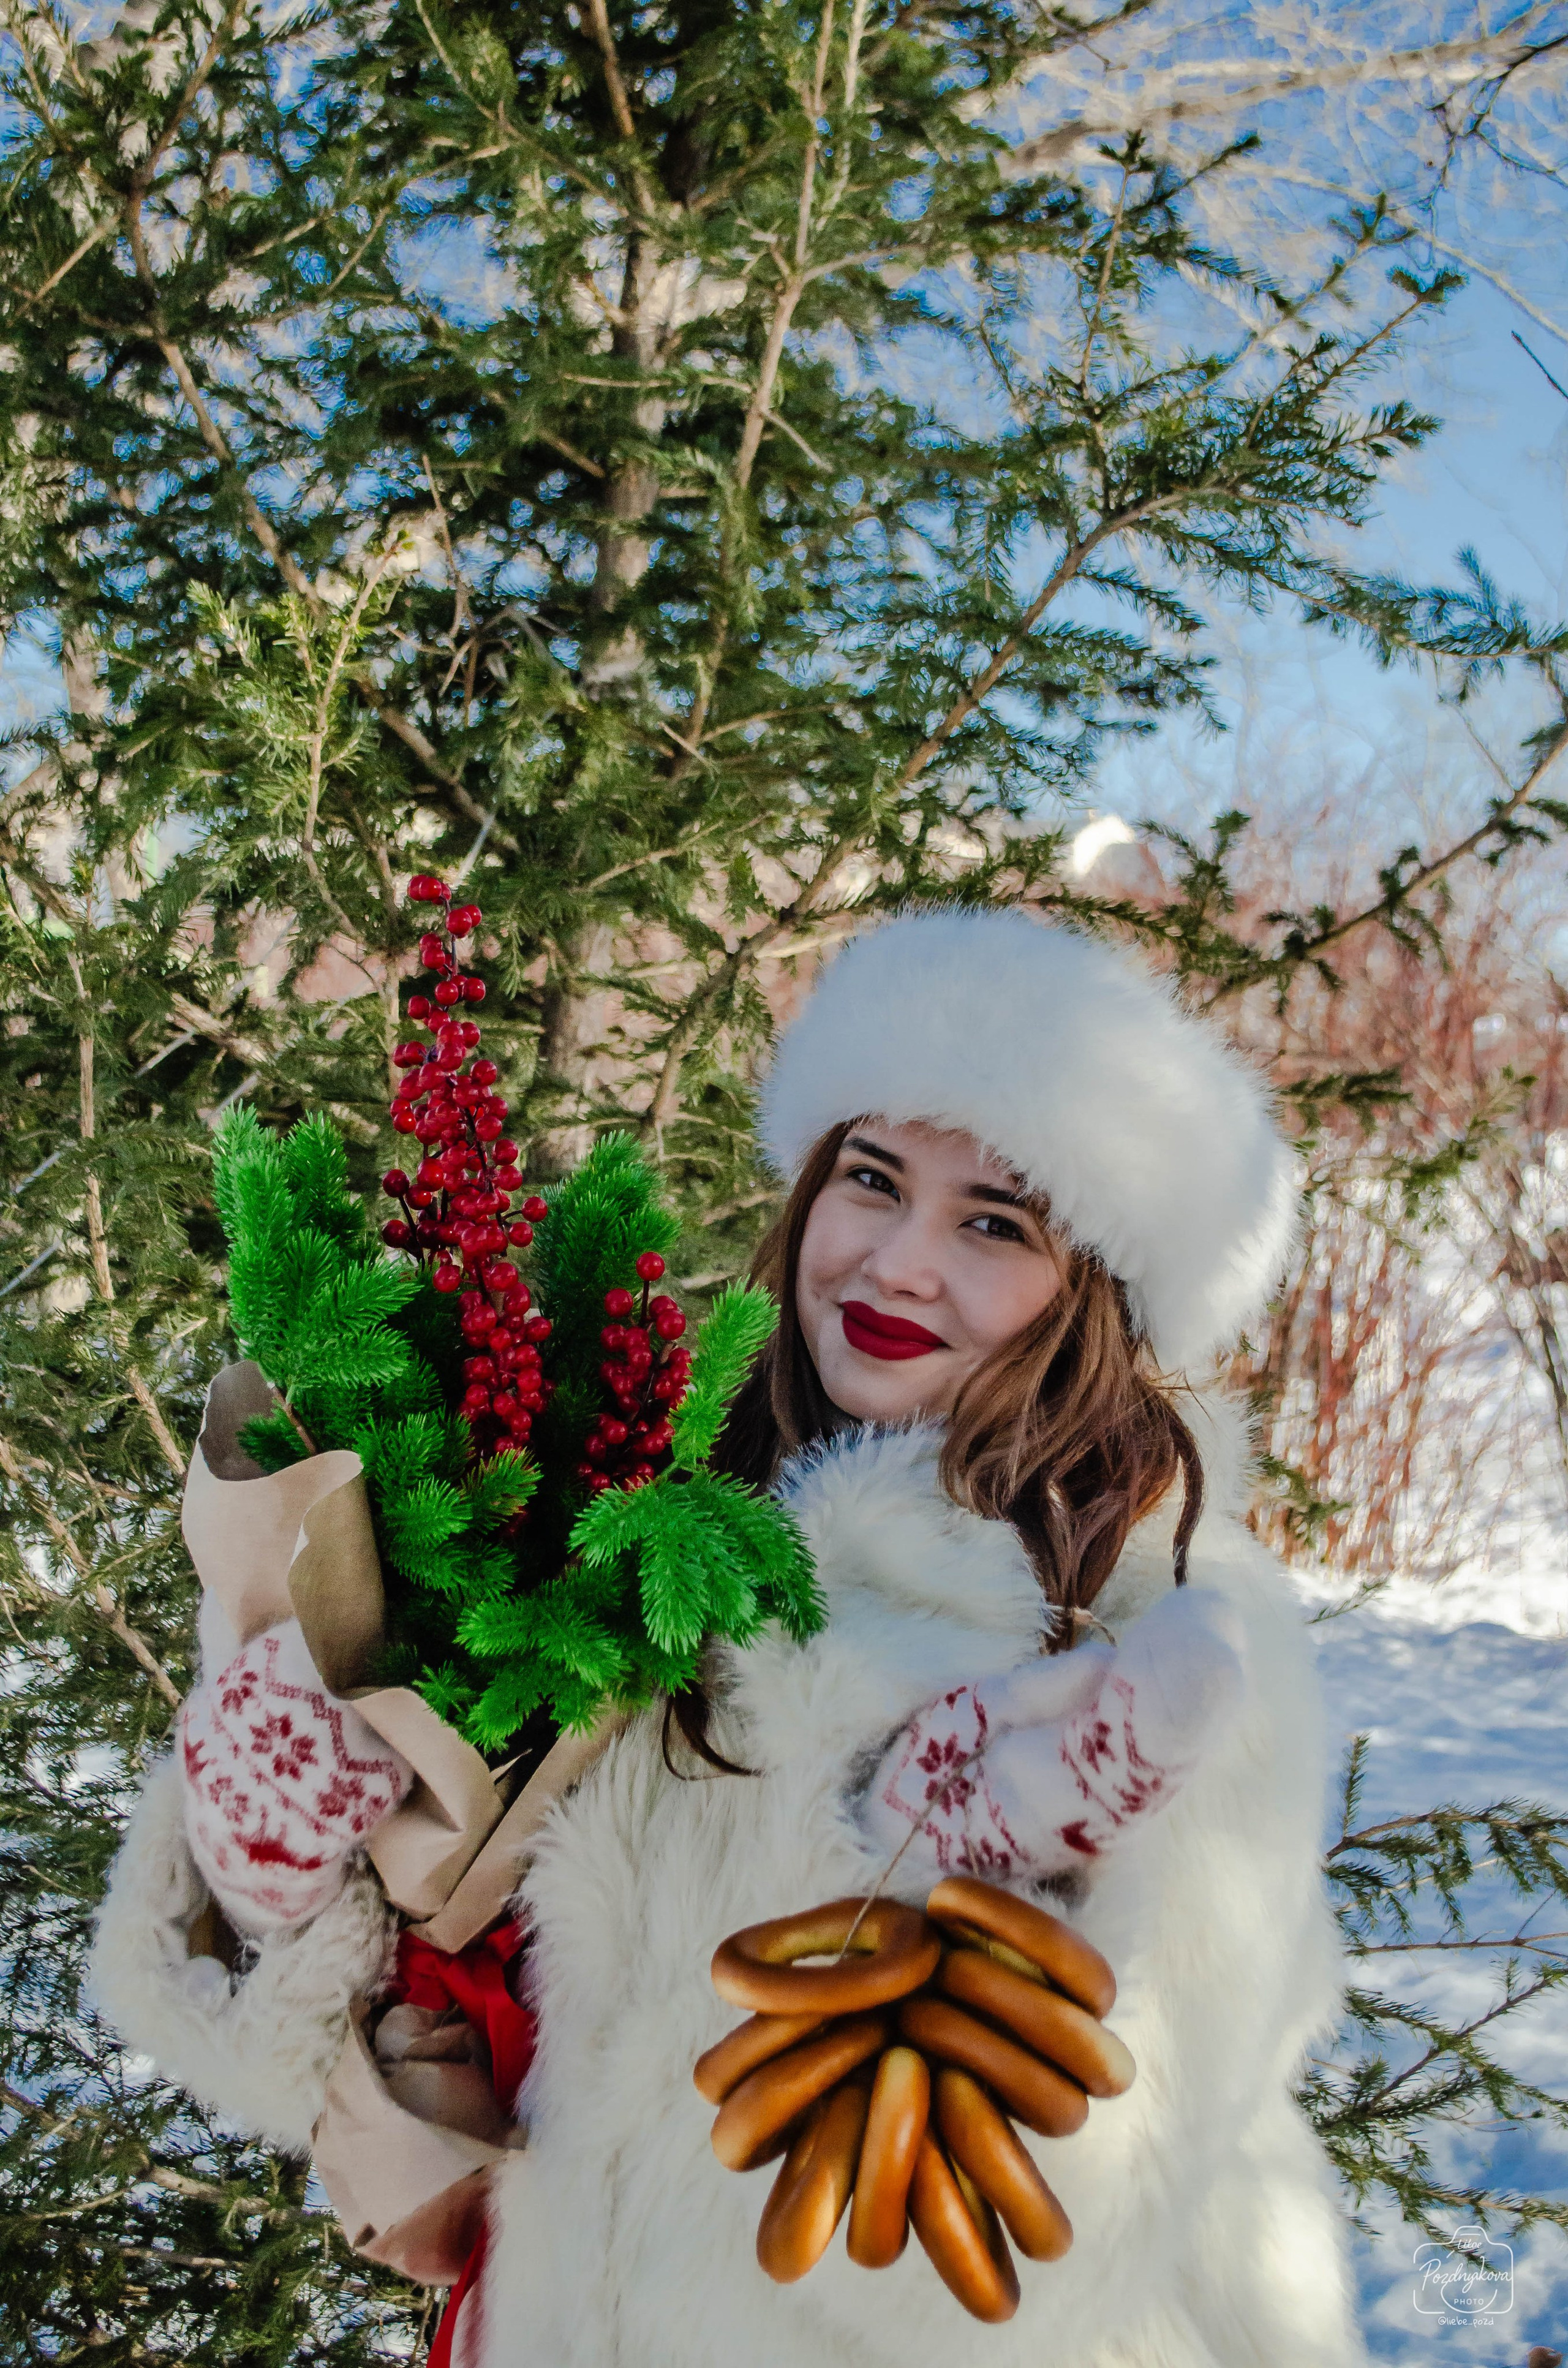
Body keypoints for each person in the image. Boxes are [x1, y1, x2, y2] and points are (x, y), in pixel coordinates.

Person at [92, 909, 1362, 2368]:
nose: (897, 1261)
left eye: (993, 1222)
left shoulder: (1167, 1637)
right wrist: (278, 1875)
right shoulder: (664, 1525)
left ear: (1100, 1290)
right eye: (870, 1180)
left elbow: (1062, 2236)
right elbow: (488, 2027)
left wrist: (923, 1889)